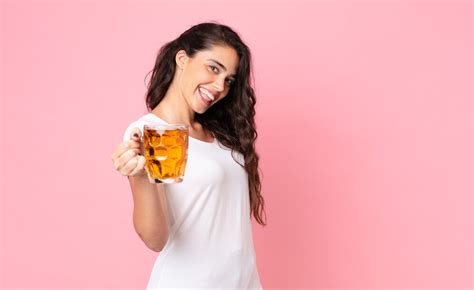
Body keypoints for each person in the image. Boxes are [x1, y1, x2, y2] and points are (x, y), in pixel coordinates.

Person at [111, 22, 266, 289]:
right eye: (213, 68)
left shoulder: (220, 133)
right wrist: (142, 177)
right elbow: (155, 238)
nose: (220, 86)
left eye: (228, 79)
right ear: (182, 58)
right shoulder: (151, 133)